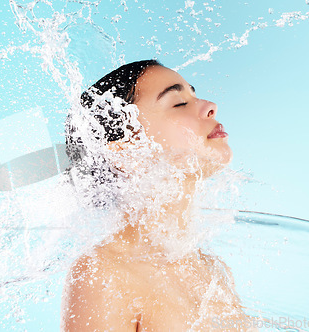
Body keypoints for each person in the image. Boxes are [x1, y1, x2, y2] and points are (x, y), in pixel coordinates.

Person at [61, 60, 254, 331]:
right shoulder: (104, 272)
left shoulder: (211, 270)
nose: (210, 106)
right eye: (178, 103)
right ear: (126, 152)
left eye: (194, 95)